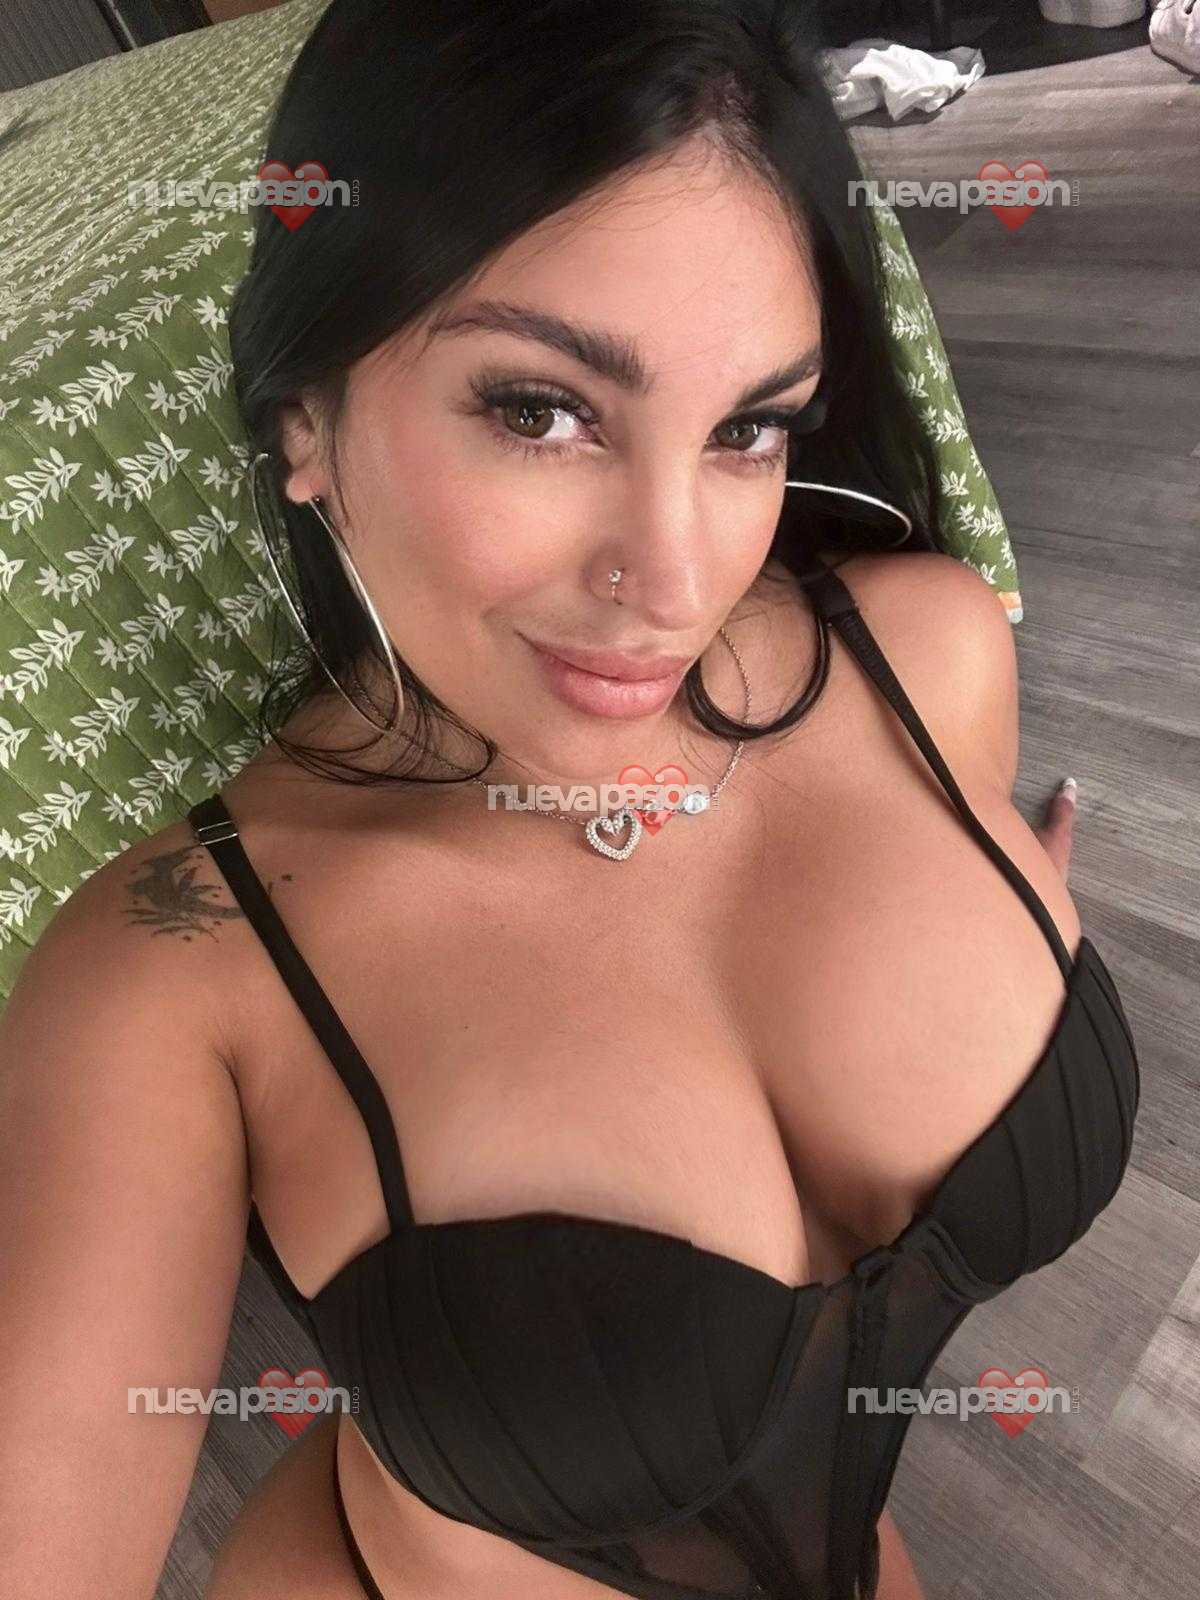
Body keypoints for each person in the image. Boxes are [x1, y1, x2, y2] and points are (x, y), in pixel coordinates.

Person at [0, 4, 1135, 1600]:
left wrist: (1003, 910)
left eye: (749, 429)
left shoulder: (928, 653)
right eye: (540, 411)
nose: (673, 583)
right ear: (304, 418)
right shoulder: (175, 971)